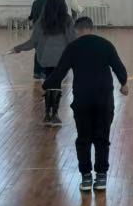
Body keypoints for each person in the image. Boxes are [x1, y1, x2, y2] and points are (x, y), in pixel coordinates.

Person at [43, 17, 128, 192]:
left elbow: (59, 72)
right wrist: (123, 83)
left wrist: (45, 85)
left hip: (82, 100)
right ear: (91, 28)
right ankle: (101, 177)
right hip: (104, 100)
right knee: (102, 139)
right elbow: (119, 67)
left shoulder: (72, 47)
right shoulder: (105, 44)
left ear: (76, 30)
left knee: (83, 139)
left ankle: (86, 177)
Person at [12, 0, 76, 126]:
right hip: (62, 60)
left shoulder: (42, 21)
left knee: (49, 82)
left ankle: (47, 114)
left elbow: (32, 42)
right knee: (56, 84)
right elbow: (72, 41)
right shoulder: (67, 20)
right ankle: (55, 115)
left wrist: (18, 48)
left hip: (45, 58)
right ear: (63, 5)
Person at [28, 0, 50, 79]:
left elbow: (31, 16)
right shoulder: (50, 2)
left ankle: (37, 72)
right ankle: (44, 72)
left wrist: (29, 19)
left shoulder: (35, 2)